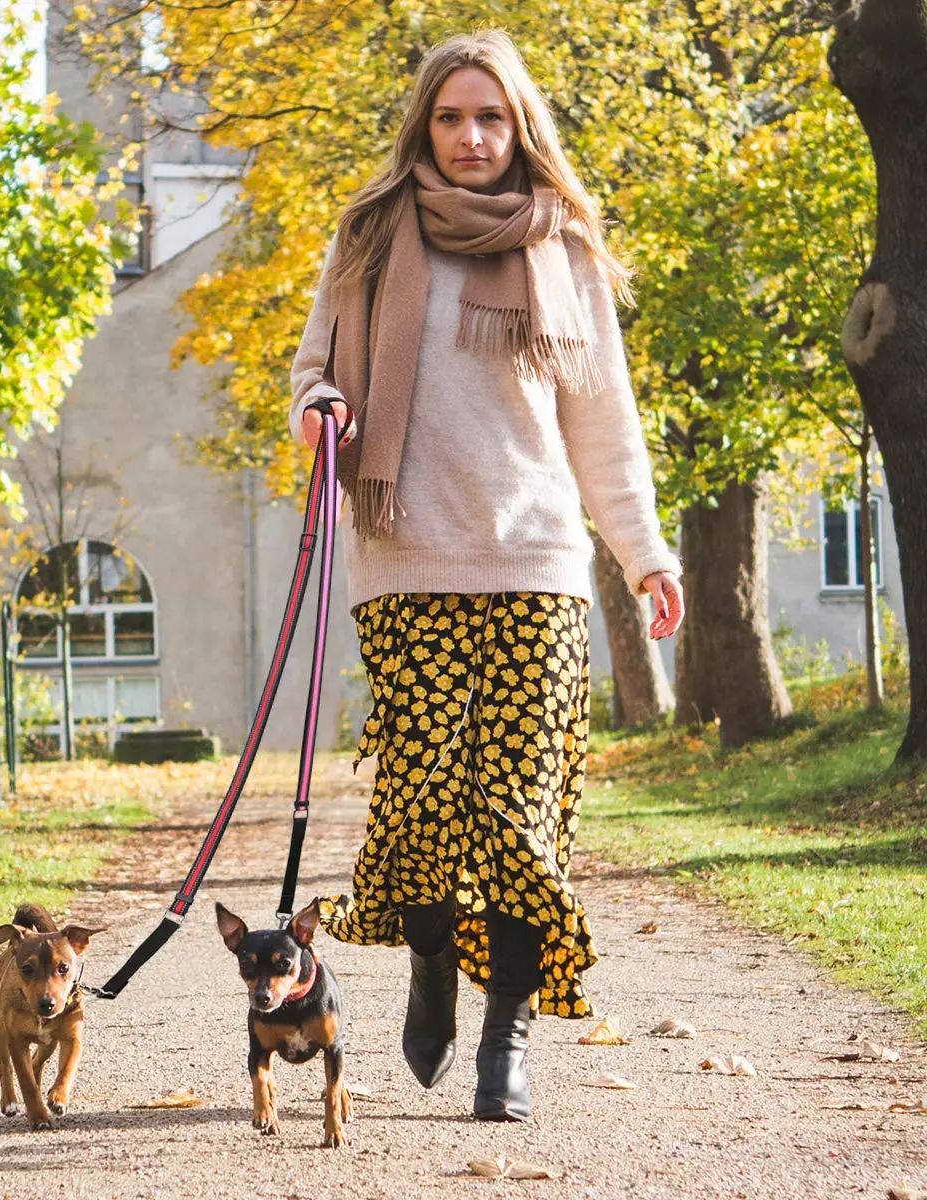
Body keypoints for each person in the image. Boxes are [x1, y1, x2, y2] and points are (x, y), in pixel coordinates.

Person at [288, 29, 684, 1123]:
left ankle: (504, 1040)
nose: (472, 137)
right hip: (405, 560)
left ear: (521, 129)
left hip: (537, 564)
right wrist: (320, 407)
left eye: (492, 118)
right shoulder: (370, 235)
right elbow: (313, 366)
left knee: (516, 820)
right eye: (454, 117)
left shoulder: (565, 248)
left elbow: (604, 428)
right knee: (420, 808)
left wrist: (642, 551)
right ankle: (428, 963)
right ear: (426, 124)